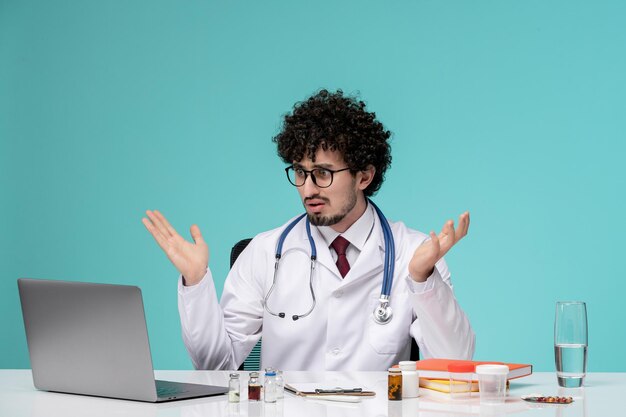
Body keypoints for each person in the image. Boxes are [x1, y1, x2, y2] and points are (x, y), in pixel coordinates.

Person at [142, 89, 475, 371]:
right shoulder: (264, 252)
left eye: (323, 173)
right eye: (300, 172)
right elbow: (217, 365)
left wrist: (421, 280)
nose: (308, 189)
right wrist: (197, 281)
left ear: (364, 176)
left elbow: (455, 364)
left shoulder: (414, 255)